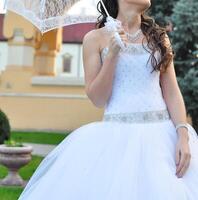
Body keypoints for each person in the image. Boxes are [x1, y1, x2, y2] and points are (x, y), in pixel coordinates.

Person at [18, 0, 198, 199]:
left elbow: (172, 92)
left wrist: (182, 135)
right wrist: (112, 54)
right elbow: (97, 98)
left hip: (162, 139)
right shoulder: (94, 39)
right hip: (116, 140)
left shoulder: (159, 37)